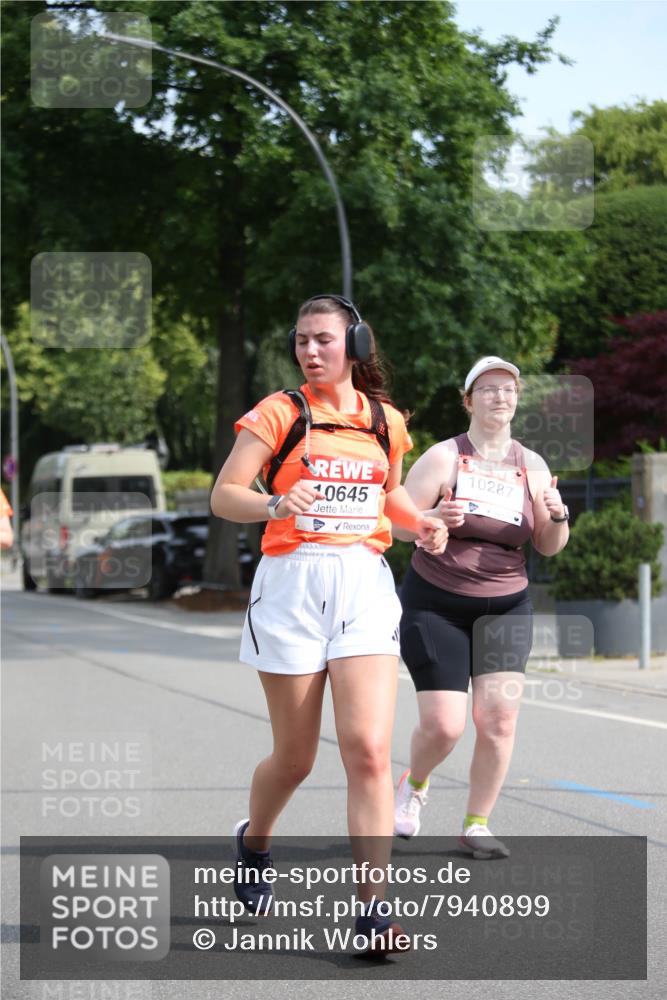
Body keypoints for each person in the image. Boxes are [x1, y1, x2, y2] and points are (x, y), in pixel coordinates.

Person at [210, 295, 447, 952]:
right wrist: (275, 500)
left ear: (356, 345)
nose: (310, 351)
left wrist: (420, 524)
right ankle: (253, 841)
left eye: (323, 339)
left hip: (362, 583)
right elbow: (224, 495)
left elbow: (389, 495)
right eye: (301, 340)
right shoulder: (280, 412)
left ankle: (372, 913)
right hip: (291, 587)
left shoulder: (384, 421)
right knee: (295, 759)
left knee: (369, 751)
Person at [393, 356, 569, 858]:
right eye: (488, 389)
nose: (500, 397)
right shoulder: (444, 457)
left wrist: (557, 517)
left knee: (498, 721)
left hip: (507, 606)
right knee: (445, 725)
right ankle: (416, 783)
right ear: (468, 400)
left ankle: (476, 823)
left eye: (509, 390)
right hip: (436, 604)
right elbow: (397, 524)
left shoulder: (531, 465)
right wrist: (430, 518)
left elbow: (551, 544)